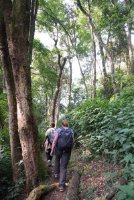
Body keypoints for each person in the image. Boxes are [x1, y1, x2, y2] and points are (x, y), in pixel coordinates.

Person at [50, 120, 74, 192]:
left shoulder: (59, 130)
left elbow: (54, 140)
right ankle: (61, 186)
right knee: (64, 167)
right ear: (67, 125)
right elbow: (73, 141)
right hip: (67, 151)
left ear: (62, 125)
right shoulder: (71, 131)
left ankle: (56, 174)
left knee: (57, 160)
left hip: (59, 149)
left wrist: (52, 149)